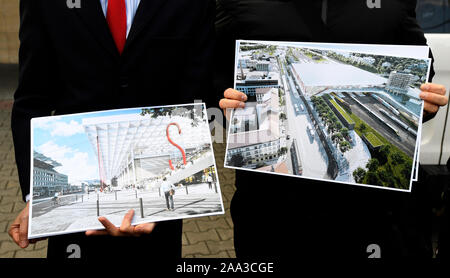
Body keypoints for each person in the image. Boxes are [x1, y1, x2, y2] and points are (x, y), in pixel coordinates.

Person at [216, 0, 448, 259]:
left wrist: (423, 101)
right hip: (274, 209)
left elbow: (421, 66)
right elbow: (211, 69)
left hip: (374, 215)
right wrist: (226, 103)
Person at [8, 0, 215, 262]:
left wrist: (161, 202)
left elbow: (194, 100)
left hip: (158, 218)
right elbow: (32, 99)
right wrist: (36, 196)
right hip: (76, 233)